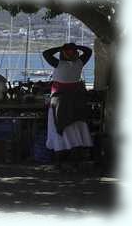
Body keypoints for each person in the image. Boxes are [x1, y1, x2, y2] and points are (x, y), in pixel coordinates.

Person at [43, 43, 93, 172]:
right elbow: (88, 50)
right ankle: (75, 164)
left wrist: (61, 48)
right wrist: (77, 47)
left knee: (58, 131)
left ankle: (58, 164)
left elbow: (46, 53)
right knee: (76, 130)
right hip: (76, 102)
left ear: (62, 54)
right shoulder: (79, 64)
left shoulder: (59, 64)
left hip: (59, 103)